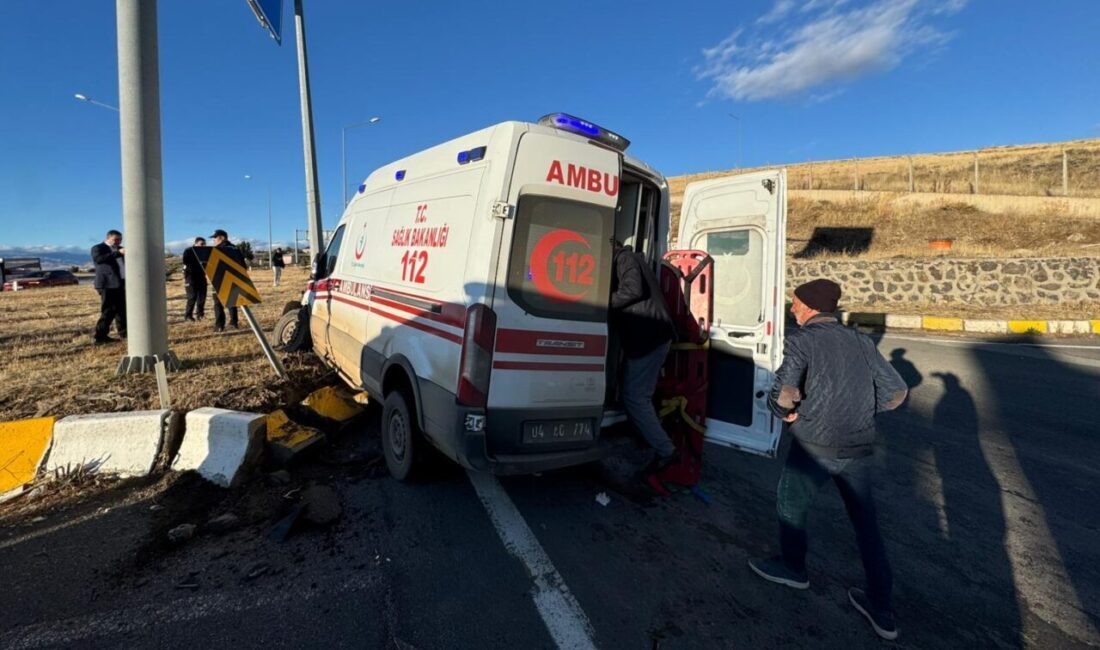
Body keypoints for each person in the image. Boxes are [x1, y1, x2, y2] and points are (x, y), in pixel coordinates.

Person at [748, 279, 908, 641]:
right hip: (859, 445)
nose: (791, 310)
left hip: (815, 446)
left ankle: (793, 568)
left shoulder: (802, 341)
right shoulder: (861, 341)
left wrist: (783, 411)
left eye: (795, 304)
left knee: (791, 504)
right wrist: (862, 410)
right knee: (866, 524)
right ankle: (881, 608)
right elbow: (897, 391)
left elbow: (785, 393)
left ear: (808, 306)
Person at [609, 242, 678, 479]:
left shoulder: (625, 259)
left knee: (636, 396)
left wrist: (600, 303)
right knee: (633, 390)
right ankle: (643, 437)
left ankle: (664, 449)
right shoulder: (630, 259)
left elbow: (632, 291)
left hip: (650, 337)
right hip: (649, 336)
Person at [90, 229, 127, 344]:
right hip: (107, 284)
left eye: (120, 240)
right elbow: (99, 259)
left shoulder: (120, 249)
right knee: (108, 310)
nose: (118, 242)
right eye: (115, 239)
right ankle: (100, 336)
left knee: (122, 310)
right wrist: (118, 253)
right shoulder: (98, 248)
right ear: (108, 238)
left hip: (120, 283)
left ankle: (124, 334)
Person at [210, 229, 239, 331]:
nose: (214, 240)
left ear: (222, 238)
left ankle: (219, 325)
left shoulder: (218, 249)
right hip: (234, 278)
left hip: (219, 278)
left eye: (215, 238)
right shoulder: (235, 248)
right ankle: (234, 322)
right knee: (232, 301)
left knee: (217, 303)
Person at [181, 237, 208, 321]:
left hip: (201, 277)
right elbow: (186, 262)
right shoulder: (188, 251)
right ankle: (188, 316)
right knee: (192, 297)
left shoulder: (205, 252)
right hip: (191, 277)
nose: (203, 246)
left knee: (202, 297)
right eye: (201, 244)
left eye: (204, 244)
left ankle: (200, 314)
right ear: (195, 243)